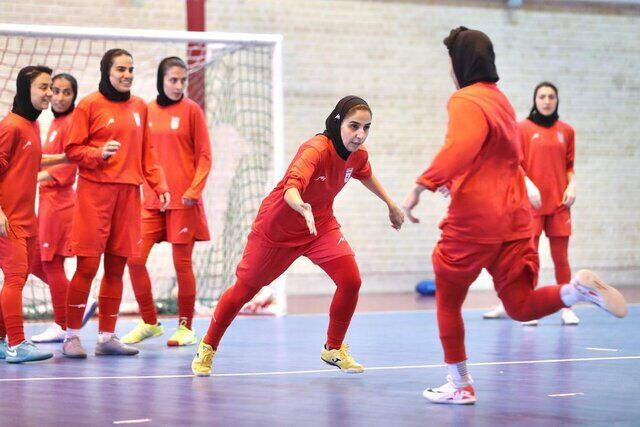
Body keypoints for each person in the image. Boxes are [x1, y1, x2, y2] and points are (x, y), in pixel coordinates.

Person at [402, 27, 627, 405]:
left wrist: (421, 186)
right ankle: (575, 291)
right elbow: (494, 158)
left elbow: (461, 148)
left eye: (450, 61)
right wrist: (456, 180)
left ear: (461, 63)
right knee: (520, 305)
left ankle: (460, 384)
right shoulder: (501, 101)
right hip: (517, 218)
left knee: (448, 301)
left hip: (476, 221)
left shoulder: (465, 100)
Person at [191, 95, 405, 376]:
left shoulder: (358, 154)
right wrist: (300, 205)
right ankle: (208, 345)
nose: (360, 135)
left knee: (351, 280)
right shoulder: (315, 149)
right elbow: (292, 185)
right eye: (354, 126)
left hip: (319, 226)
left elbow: (364, 172)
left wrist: (390, 204)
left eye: (366, 128)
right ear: (338, 122)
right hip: (277, 230)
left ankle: (333, 348)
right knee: (245, 290)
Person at [62, 48, 170, 358]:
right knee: (87, 266)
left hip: (128, 195)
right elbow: (72, 149)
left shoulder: (140, 107)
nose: (127, 75)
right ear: (106, 72)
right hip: (94, 195)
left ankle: (106, 337)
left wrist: (159, 184)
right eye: (121, 69)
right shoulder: (89, 105)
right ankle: (71, 336)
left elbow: (147, 151)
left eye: (130, 69)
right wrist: (98, 153)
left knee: (117, 266)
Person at [121, 56, 211, 347]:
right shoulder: (146, 110)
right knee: (134, 259)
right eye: (173, 80)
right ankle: (150, 322)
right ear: (161, 80)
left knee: (182, 264)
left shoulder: (192, 110)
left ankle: (186, 327)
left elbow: (205, 156)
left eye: (183, 80)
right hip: (151, 200)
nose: (178, 85)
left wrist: (194, 191)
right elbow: (138, 153)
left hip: (184, 202)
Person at [483, 82, 579, 325]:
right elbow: (514, 163)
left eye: (551, 97)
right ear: (535, 100)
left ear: (557, 100)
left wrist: (572, 185)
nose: (546, 101)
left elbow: (569, 166)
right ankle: (520, 305)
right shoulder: (521, 129)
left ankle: (567, 307)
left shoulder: (567, 131)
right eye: (542, 96)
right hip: (530, 205)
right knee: (526, 260)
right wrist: (529, 185)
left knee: (561, 258)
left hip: (559, 205)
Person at [28, 73, 97, 343]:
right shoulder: (55, 122)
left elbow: (68, 167)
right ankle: (78, 301)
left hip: (59, 203)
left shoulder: (71, 122)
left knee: (51, 263)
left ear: (74, 95)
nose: (59, 97)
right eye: (55, 91)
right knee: (35, 261)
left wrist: (29, 178)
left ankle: (62, 324)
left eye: (66, 92)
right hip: (47, 202)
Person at [0, 65, 55, 363]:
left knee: (17, 279)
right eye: (43, 87)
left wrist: (69, 157)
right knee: (15, 278)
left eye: (50, 87)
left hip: (26, 218)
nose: (49, 93)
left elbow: (32, 159)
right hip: (8, 221)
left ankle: (1, 341)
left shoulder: (32, 125)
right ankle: (17, 344)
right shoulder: (11, 126)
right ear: (26, 90)